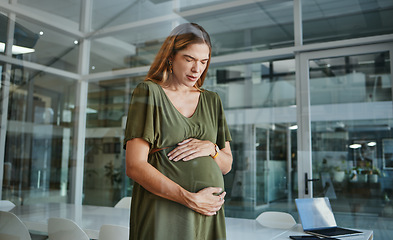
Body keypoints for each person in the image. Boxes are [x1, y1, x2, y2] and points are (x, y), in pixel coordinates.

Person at [123, 22, 233, 240]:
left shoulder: (212, 100)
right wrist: (189, 198)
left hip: (207, 213)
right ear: (171, 56)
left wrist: (211, 149)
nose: (197, 69)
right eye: (189, 59)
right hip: (163, 209)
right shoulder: (148, 93)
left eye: (204, 61)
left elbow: (226, 165)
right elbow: (134, 166)